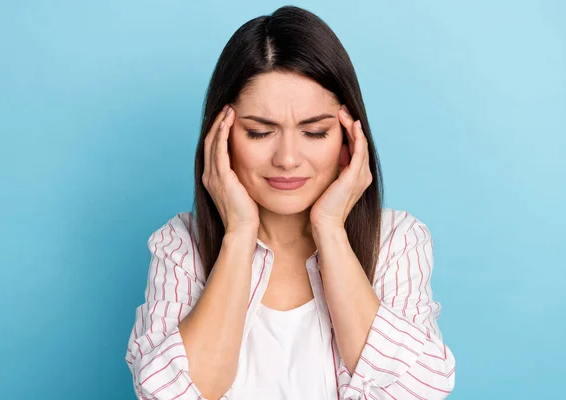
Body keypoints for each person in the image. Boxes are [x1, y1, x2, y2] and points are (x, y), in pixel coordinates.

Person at [125, 5, 455, 400]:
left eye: (314, 132)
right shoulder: (181, 246)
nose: (287, 158)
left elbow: (417, 391)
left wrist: (331, 230)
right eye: (260, 132)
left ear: (350, 139)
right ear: (222, 136)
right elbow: (166, 394)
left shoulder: (397, 242)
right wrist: (239, 235)